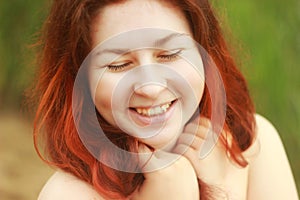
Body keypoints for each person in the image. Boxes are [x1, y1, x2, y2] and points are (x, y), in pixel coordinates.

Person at [32, 0, 298, 199]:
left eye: (169, 55)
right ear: (80, 79)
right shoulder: (68, 194)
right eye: (119, 64)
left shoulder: (252, 144)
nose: (150, 87)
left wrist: (223, 187)